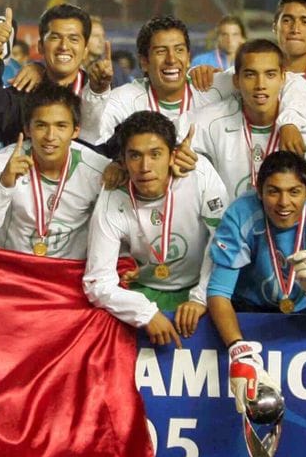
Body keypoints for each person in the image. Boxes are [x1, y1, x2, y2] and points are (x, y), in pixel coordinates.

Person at [207, 151, 306, 410]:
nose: (283, 202)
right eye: (273, 192)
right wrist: (238, 350)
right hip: (248, 313)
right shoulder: (241, 213)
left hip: (305, 316)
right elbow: (218, 293)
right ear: (258, 191)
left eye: (294, 192)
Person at [84, 111, 228, 344]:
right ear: (122, 160)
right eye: (135, 156)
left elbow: (223, 241)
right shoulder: (112, 195)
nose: (144, 167)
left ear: (173, 156)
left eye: (155, 154)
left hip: (200, 286)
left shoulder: (199, 174)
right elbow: (97, 281)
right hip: (143, 290)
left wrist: (201, 298)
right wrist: (143, 311)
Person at [0, 85, 109, 258]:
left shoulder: (100, 171)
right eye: (41, 125)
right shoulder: (0, 164)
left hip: (67, 276)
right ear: (27, 129)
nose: (50, 136)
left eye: (61, 126)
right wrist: (3, 184)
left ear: (76, 130)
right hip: (11, 271)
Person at [0, 3, 113, 146]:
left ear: (85, 50)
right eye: (55, 37)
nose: (64, 46)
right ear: (40, 47)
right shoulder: (25, 90)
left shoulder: (101, 94)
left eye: (73, 39)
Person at [194, 39, 306, 199]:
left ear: (283, 78)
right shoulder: (211, 120)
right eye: (250, 75)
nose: (260, 84)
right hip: (232, 221)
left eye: (270, 74)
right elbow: (171, 140)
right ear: (236, 80)